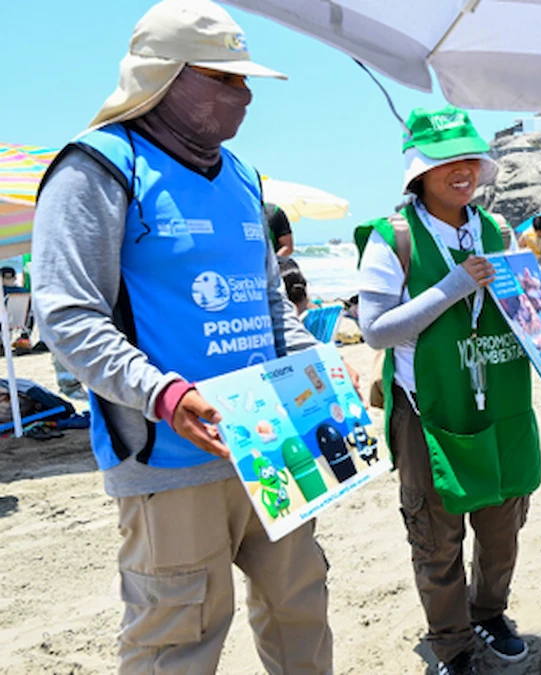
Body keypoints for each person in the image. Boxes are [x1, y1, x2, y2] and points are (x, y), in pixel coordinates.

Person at [31, 3, 334, 673]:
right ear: (164, 76)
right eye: (225, 79)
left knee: (300, 607)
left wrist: (318, 378)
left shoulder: (245, 177)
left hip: (271, 441)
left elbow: (268, 303)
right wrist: (164, 393)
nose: (245, 94)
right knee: (178, 636)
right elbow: (66, 315)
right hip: (167, 457)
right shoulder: (99, 168)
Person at [357, 106, 541, 675]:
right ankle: (452, 643)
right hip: (428, 409)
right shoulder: (394, 238)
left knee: (503, 521)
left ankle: (488, 612)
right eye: (445, 161)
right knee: (436, 538)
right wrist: (453, 286)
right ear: (419, 170)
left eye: (469, 158)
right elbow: (375, 330)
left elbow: (523, 313)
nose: (461, 170)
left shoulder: (496, 230)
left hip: (501, 401)